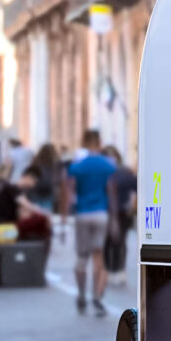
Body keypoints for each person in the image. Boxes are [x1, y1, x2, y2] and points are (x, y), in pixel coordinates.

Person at [63, 130, 118, 315]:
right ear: (99, 142)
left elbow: (70, 192)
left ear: (84, 142)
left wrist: (65, 216)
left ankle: (81, 294)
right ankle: (96, 296)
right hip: (101, 213)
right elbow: (111, 192)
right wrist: (114, 219)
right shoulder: (108, 165)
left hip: (83, 214)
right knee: (98, 257)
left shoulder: (77, 166)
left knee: (82, 257)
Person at [103, 146, 139, 285]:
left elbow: (136, 187)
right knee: (108, 242)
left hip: (121, 212)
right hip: (107, 212)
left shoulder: (125, 172)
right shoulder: (105, 172)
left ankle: (119, 270)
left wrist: (132, 204)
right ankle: (109, 269)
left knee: (120, 241)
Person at [27, 143, 62, 214]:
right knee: (46, 215)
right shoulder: (55, 165)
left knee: (35, 214)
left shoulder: (35, 163)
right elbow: (58, 181)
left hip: (35, 194)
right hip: (48, 194)